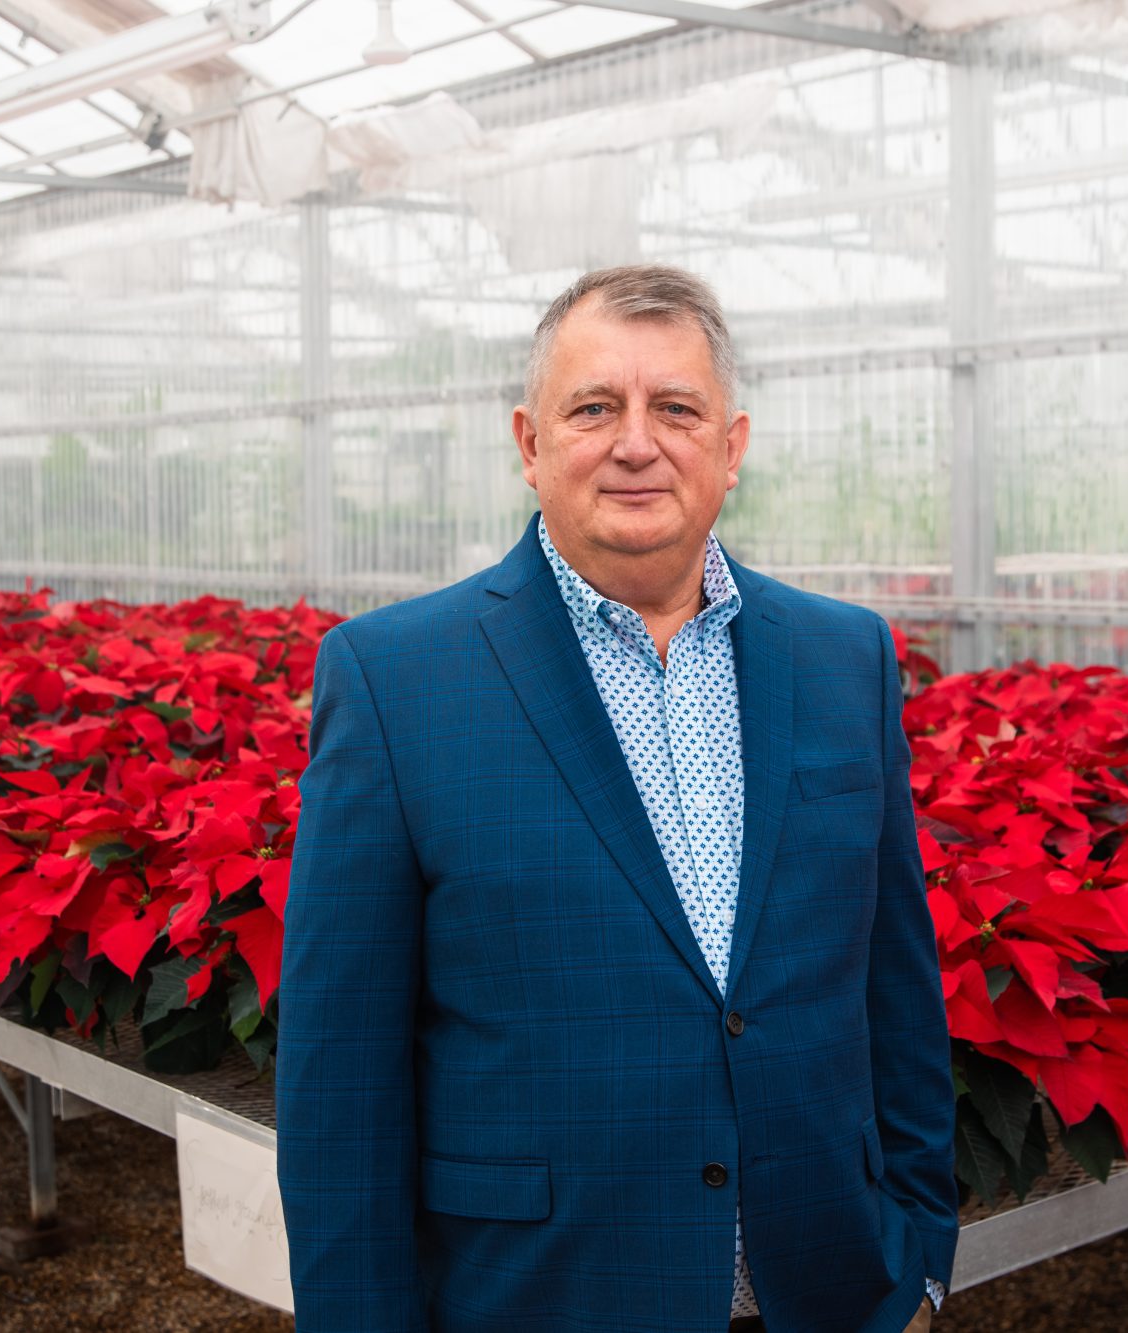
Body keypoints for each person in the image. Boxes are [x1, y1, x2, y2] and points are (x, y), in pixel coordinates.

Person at [276, 264, 956, 1332]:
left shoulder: (842, 659)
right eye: (594, 407)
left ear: (728, 448)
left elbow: (894, 988)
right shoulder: (395, 680)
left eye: (674, 409)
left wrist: (918, 1261)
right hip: (543, 1298)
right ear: (529, 443)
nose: (636, 442)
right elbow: (342, 1083)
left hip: (831, 1289)